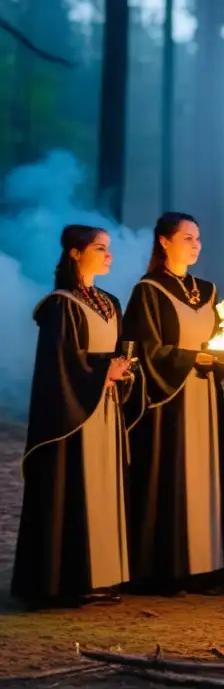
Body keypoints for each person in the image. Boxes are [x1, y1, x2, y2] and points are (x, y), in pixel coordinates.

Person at [11, 225, 138, 608]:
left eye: (109, 248)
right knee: (74, 491)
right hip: (74, 415)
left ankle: (100, 575)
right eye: (100, 248)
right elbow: (60, 364)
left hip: (104, 409)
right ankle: (67, 581)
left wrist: (122, 370)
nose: (108, 255)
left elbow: (115, 352)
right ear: (75, 253)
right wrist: (104, 370)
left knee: (102, 490)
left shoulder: (110, 302)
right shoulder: (61, 304)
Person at [122, 212, 224, 597]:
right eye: (187, 238)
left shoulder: (208, 290)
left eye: (198, 238)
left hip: (204, 397)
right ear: (165, 242)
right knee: (174, 477)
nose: (195, 245)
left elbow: (219, 339)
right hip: (169, 403)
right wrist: (189, 359)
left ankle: (206, 565)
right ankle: (168, 569)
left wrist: (222, 356)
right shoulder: (148, 291)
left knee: (206, 477)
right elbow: (146, 351)